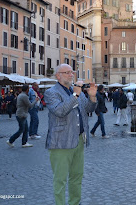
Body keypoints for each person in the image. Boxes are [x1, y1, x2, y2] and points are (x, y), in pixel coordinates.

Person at [44, 64, 97, 205]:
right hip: (61, 141)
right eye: (67, 72)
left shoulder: (76, 92)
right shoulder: (52, 92)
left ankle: (75, 202)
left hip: (79, 140)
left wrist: (92, 97)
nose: (71, 74)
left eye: (72, 72)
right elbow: (60, 111)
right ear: (58, 76)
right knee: (60, 179)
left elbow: (88, 110)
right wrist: (76, 94)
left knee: (77, 176)